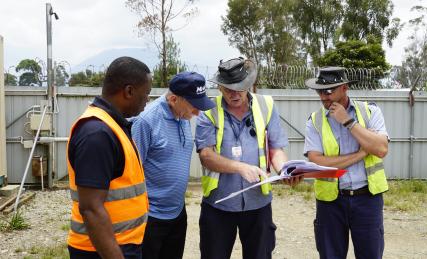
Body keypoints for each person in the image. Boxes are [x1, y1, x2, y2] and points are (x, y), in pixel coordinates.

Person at [195, 57, 289, 259]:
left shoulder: (267, 106)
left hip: (258, 203)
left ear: (249, 85)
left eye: (239, 87)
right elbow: (206, 155)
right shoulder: (209, 111)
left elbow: (275, 148)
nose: (233, 94)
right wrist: (240, 167)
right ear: (219, 87)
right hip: (218, 203)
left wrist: (284, 170)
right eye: (227, 88)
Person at [67, 56, 152, 259]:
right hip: (102, 250)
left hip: (120, 244)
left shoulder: (114, 126)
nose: (147, 100)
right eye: (146, 94)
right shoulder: (97, 133)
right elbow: (91, 209)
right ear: (129, 91)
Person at [304, 67, 389, 259]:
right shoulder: (315, 121)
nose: (323, 97)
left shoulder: (370, 112)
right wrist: (361, 154)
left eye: (328, 91)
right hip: (331, 203)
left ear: (344, 88)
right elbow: (317, 161)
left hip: (367, 200)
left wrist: (348, 122)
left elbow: (382, 149)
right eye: (319, 91)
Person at [131, 71, 215, 259]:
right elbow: (132, 172)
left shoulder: (182, 116)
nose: (197, 112)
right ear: (174, 99)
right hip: (150, 218)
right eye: (194, 106)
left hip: (177, 213)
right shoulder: (147, 121)